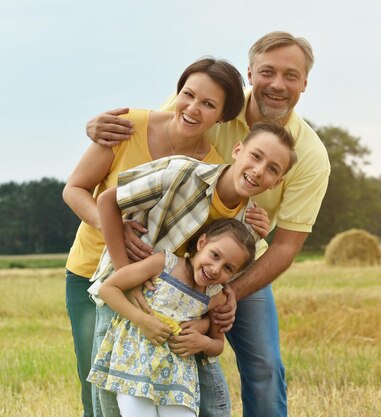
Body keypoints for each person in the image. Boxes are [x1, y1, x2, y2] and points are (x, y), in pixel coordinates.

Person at [87, 31, 331, 417]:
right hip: (171, 257)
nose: (278, 84)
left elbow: (286, 246)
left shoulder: (312, 156)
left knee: (264, 365)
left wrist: (224, 294)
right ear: (251, 73)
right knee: (130, 365)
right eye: (268, 72)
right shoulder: (214, 104)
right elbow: (158, 133)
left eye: (291, 75)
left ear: (305, 83)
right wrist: (102, 134)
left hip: (237, 265)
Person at [63, 57, 268, 417]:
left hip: (153, 286)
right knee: (96, 386)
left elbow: (204, 249)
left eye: (208, 104)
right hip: (92, 270)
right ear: (176, 93)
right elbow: (75, 189)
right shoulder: (129, 126)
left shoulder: (211, 169)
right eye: (188, 95)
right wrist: (114, 228)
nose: (192, 108)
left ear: (221, 116)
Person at [89, 122, 297, 417]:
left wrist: (206, 324)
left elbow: (218, 290)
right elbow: (108, 199)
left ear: (276, 183)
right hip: (128, 295)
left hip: (178, 321)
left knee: (212, 404)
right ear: (238, 150)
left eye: (273, 169)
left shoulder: (248, 227)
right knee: (115, 404)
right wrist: (128, 281)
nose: (259, 170)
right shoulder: (182, 172)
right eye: (256, 156)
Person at [88, 219, 256, 417]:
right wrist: (142, 320)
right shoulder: (164, 264)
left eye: (228, 268)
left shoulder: (215, 296)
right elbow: (108, 288)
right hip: (135, 364)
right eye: (215, 255)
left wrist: (202, 342)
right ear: (202, 243)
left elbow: (218, 344)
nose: (215, 269)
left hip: (178, 377)